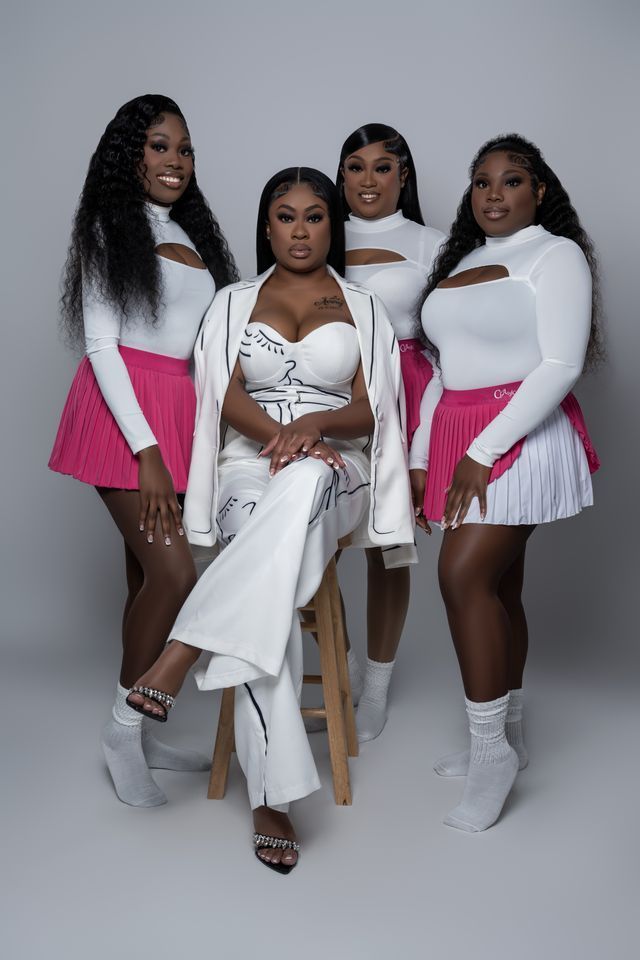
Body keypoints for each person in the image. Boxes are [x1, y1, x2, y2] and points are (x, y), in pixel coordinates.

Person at [125, 167, 414, 872]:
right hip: (247, 465)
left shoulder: (362, 305)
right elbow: (220, 392)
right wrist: (274, 437)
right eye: (286, 217)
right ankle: (271, 799)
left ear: (330, 225)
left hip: (335, 468)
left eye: (315, 217)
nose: (301, 230)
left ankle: (183, 648)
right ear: (267, 225)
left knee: (309, 478)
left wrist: (313, 426)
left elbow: (373, 404)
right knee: (271, 574)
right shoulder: (232, 302)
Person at [48, 94, 238, 807]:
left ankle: (139, 730)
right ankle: (123, 731)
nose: (175, 161)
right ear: (131, 154)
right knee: (175, 573)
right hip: (124, 412)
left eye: (185, 149)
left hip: (181, 411)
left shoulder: (196, 236)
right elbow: (103, 344)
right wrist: (149, 451)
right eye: (160, 146)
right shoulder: (108, 228)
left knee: (143, 581)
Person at [410, 133, 602, 832]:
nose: (494, 193)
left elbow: (560, 364)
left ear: (539, 192)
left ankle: (490, 753)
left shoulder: (556, 256)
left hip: (517, 432)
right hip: (459, 434)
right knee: (499, 586)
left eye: (511, 180)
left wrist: (483, 451)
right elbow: (442, 367)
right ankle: (509, 738)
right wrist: (422, 455)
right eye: (482, 181)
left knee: (464, 579)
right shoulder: (461, 260)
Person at [335, 122, 444, 741]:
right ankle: (343, 662)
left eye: (383, 166)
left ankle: (375, 684)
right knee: (315, 532)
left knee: (387, 542)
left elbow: (447, 339)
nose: (368, 179)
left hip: (404, 393)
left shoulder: (433, 243)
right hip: (329, 391)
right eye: (355, 166)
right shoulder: (320, 229)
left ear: (403, 175)